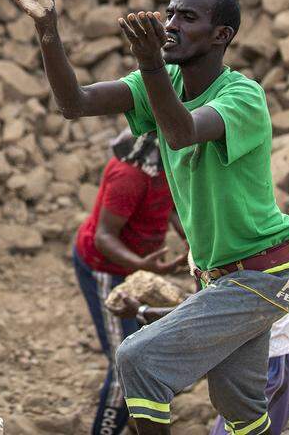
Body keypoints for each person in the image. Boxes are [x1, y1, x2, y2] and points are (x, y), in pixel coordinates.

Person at [0, 0, 289, 435]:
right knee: (239, 407)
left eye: (188, 16)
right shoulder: (160, 82)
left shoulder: (243, 96)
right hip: (218, 277)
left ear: (221, 35)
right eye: (169, 12)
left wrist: (149, 63)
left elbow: (181, 131)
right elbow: (73, 102)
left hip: (261, 273)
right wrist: (46, 24)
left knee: (138, 358)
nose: (170, 24)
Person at [111, 258, 289, 435]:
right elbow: (208, 304)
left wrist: (144, 311)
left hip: (275, 360)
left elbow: (213, 310)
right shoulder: (204, 244)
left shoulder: (223, 242)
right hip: (244, 354)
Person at [73, 129, 187, 435]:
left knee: (142, 348)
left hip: (134, 266)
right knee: (122, 363)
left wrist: (189, 237)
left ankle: (137, 417)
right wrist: (140, 265)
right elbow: (104, 237)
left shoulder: (162, 166)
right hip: (105, 269)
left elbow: (171, 203)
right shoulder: (130, 176)